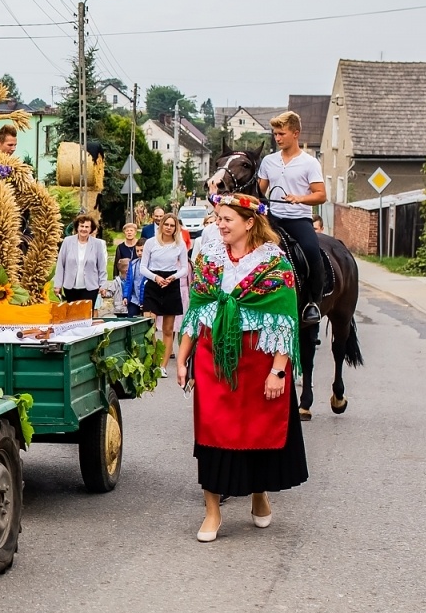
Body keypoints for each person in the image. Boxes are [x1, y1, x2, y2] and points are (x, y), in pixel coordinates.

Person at [176, 192, 306, 542]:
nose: (219, 224)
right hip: (213, 358)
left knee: (256, 431)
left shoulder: (274, 263)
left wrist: (279, 370)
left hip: (257, 360)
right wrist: (183, 357)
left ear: (249, 223)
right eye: (218, 218)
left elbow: (285, 320)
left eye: (226, 219)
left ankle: (259, 493)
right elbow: (197, 309)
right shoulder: (208, 258)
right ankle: (212, 511)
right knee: (211, 431)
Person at [258, 111, 327, 324]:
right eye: (275, 134)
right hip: (273, 219)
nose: (277, 138)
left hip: (298, 219)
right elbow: (259, 193)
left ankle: (312, 302)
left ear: (295, 133)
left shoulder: (309, 163)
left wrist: (300, 198)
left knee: (311, 251)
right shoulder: (268, 161)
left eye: (282, 134)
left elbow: (321, 195)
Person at [140, 212, 189, 366]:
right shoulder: (151, 243)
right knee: (150, 327)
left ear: (176, 228)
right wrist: (155, 277)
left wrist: (173, 277)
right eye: (166, 224)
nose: (168, 227)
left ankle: (163, 366)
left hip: (171, 283)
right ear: (161, 225)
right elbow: (142, 267)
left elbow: (184, 268)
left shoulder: (180, 244)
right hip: (153, 283)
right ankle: (154, 360)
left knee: (168, 329)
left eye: (172, 225)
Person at [53, 213, 107, 306]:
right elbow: (60, 264)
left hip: (90, 288)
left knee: (86, 313)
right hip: (70, 287)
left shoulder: (97, 244)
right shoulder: (67, 241)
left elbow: (101, 266)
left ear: (91, 229)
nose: (84, 229)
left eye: (87, 227)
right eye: (82, 226)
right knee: (73, 313)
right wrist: (58, 285)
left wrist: (103, 285)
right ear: (77, 227)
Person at [114, 222, 144, 316]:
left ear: (135, 232)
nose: (129, 232)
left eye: (131, 230)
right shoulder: (121, 247)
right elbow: (116, 263)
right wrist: (116, 277)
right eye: (127, 231)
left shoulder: (140, 244)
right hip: (128, 279)